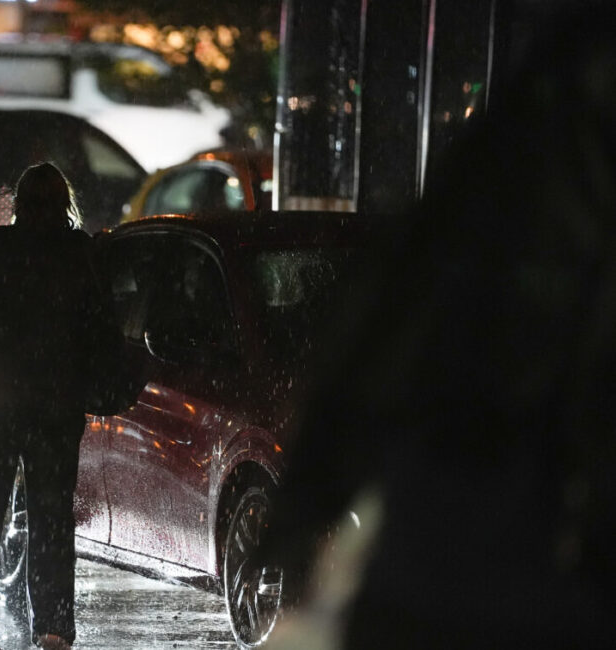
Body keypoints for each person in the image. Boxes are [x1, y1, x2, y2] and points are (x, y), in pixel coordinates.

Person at [258, 4, 616, 648]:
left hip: (458, 551)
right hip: (491, 545)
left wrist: (306, 507)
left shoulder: (481, 190)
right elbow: (375, 347)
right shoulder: (496, 199)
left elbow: (369, 351)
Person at [0, 162, 104, 650]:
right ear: (64, 204)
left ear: (18, 206)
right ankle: (53, 626)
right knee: (52, 516)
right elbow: (100, 323)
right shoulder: (81, 252)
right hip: (55, 403)